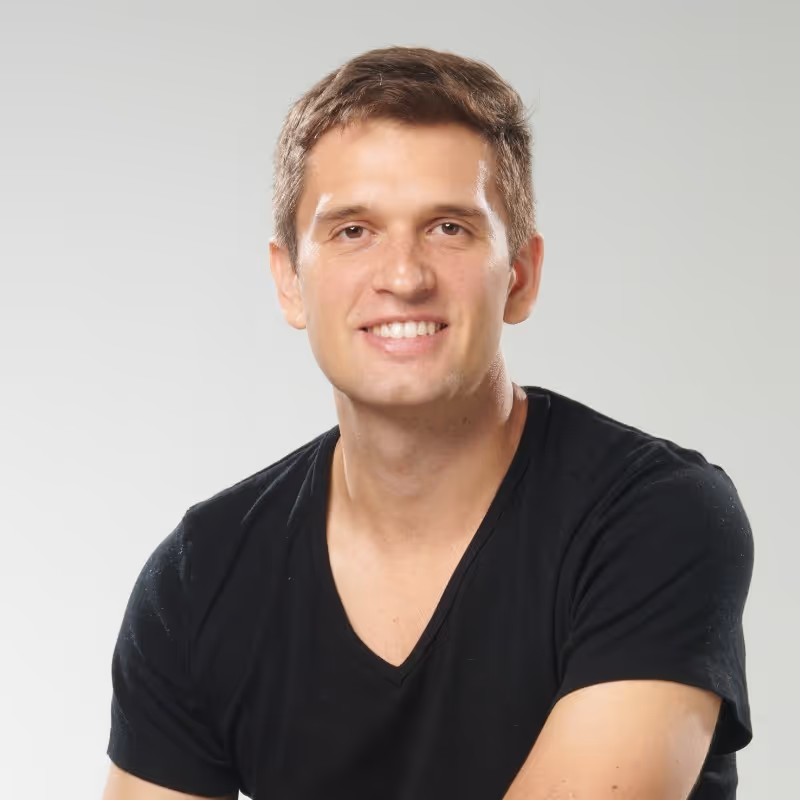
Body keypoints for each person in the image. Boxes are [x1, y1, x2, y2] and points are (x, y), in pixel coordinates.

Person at [102, 46, 753, 800]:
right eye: (353, 231)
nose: (404, 276)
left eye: (449, 228)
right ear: (289, 281)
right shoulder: (200, 577)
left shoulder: (652, 518)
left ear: (522, 275)